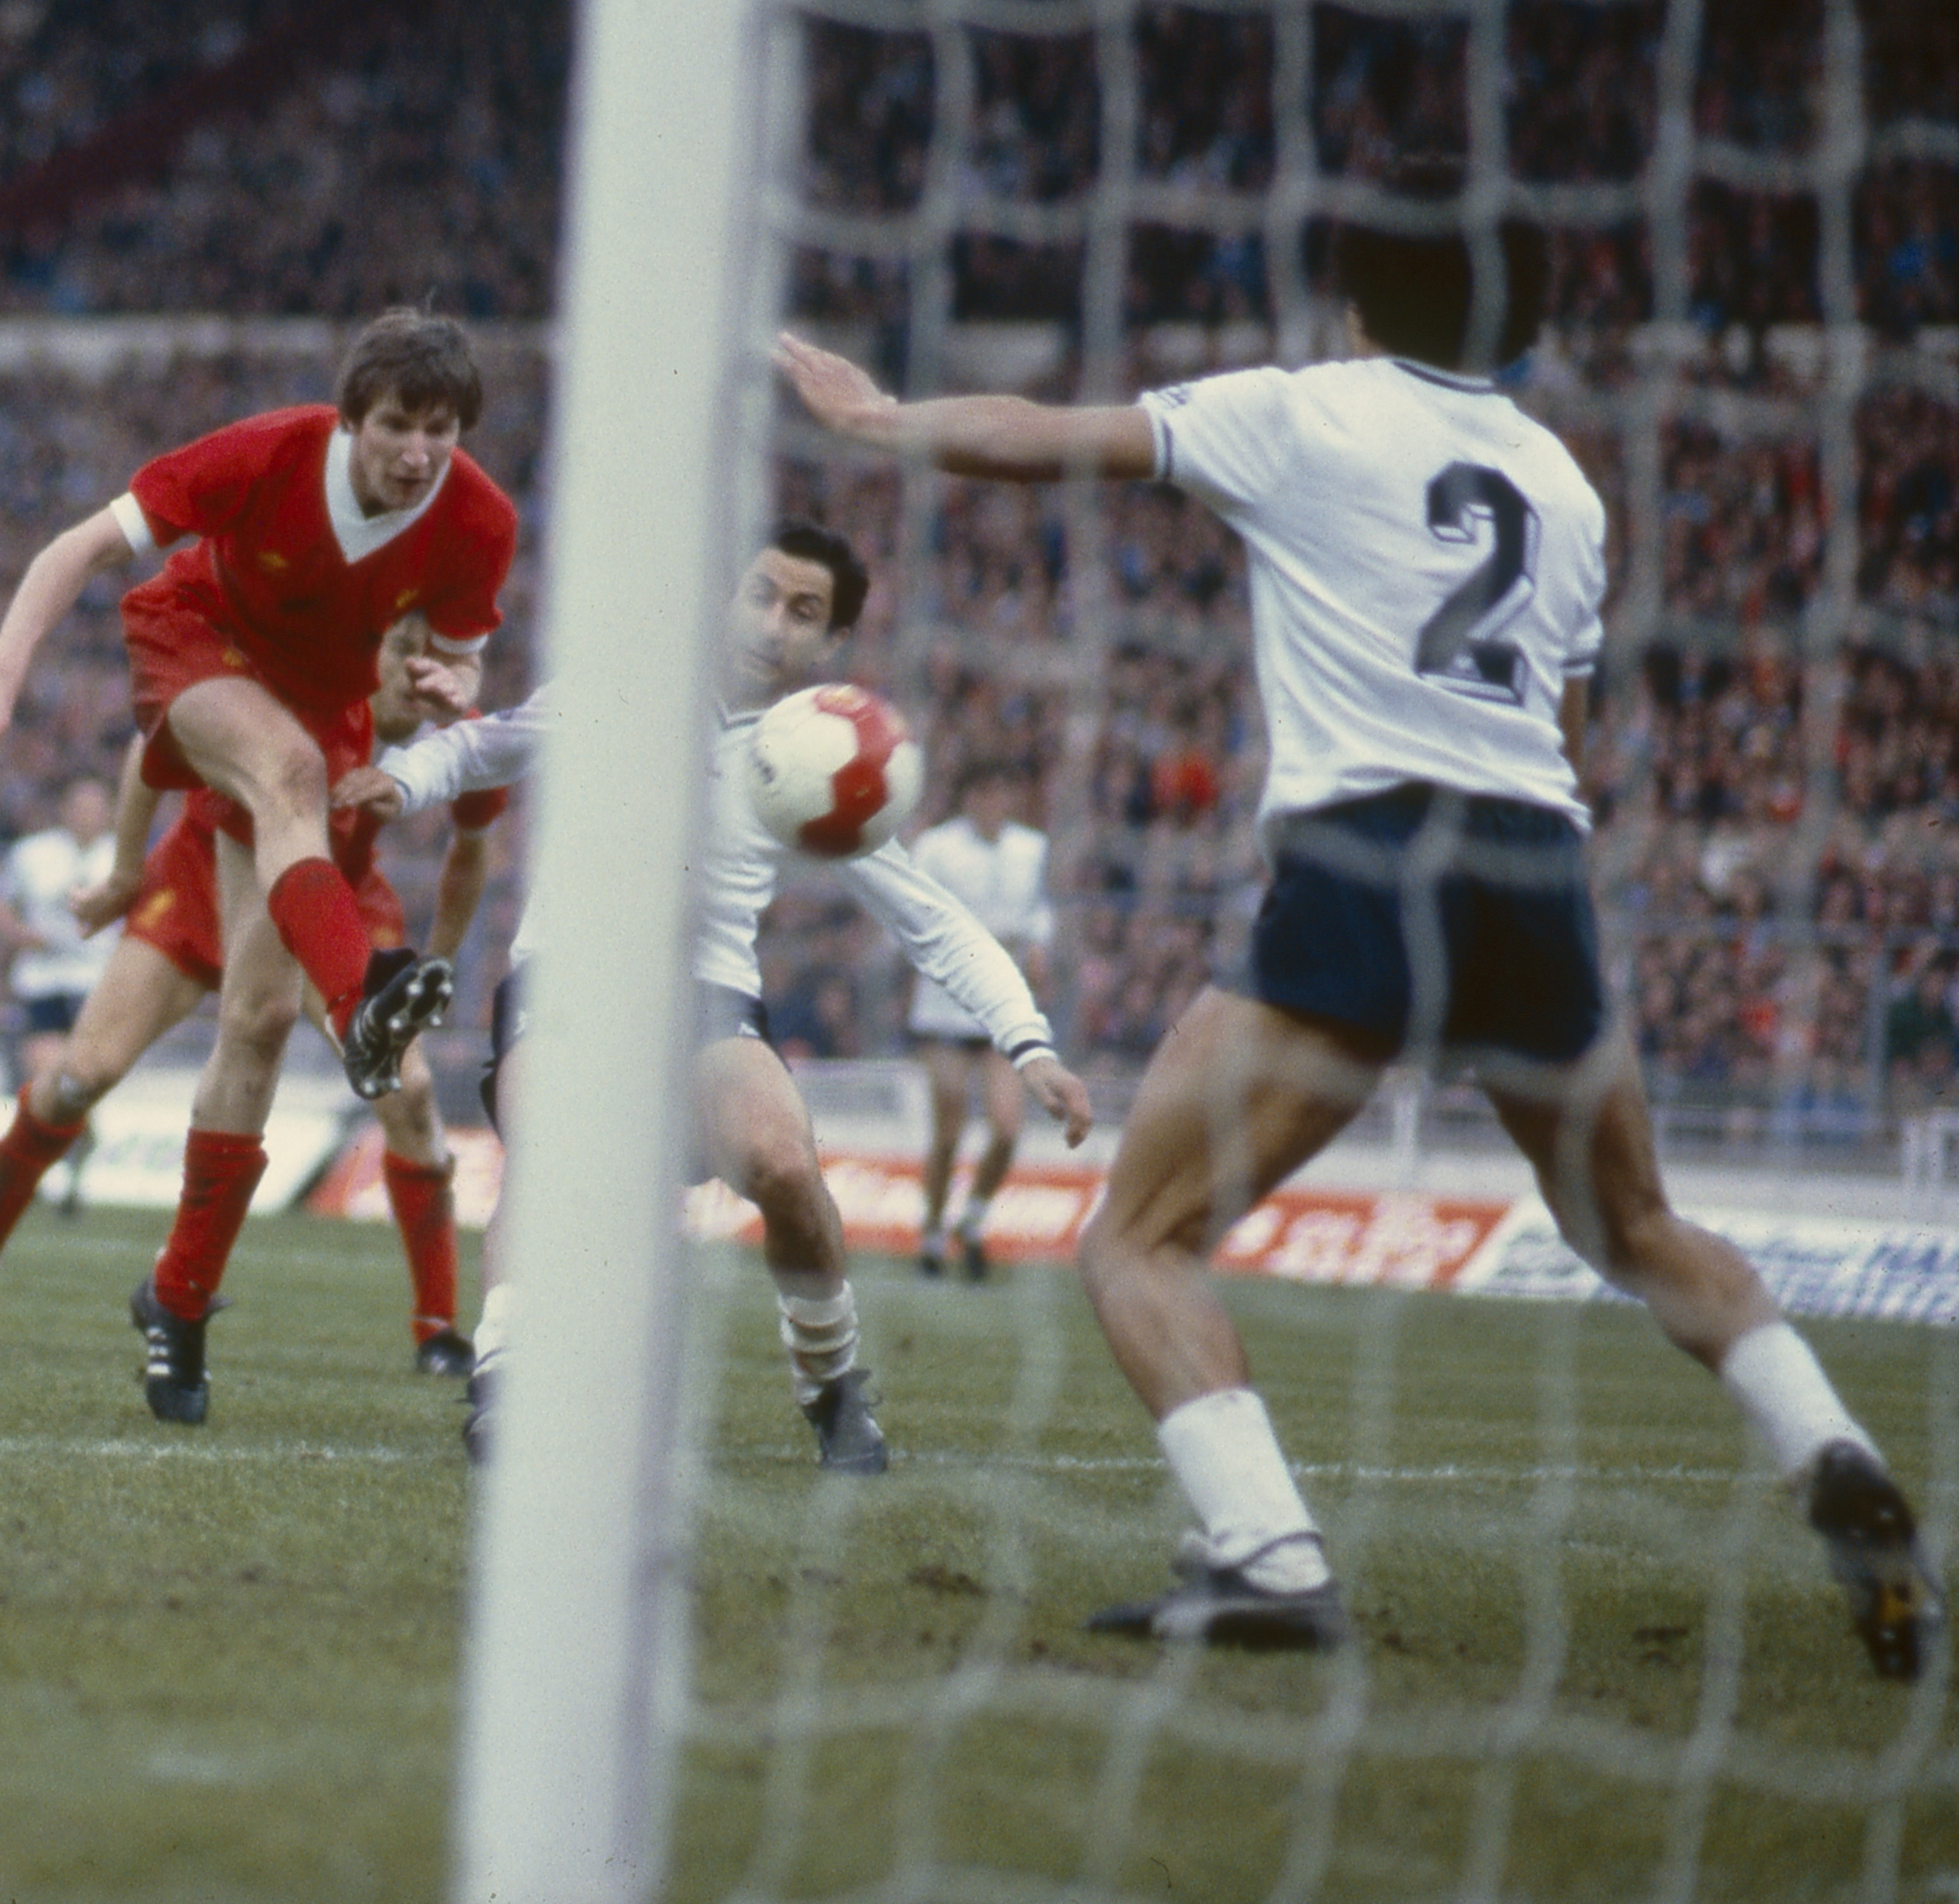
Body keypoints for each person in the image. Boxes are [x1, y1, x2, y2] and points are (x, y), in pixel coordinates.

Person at [776, 213, 1944, 1673]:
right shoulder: (1565, 486)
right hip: (1531, 862)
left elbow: (1037, 434)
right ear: (1505, 323)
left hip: (1366, 856)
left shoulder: (1299, 407)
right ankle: (1824, 1439)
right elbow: (1558, 734)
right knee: (1634, 1224)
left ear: (1351, 301)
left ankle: (1263, 1548)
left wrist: (875, 416)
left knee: (1135, 1236)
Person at [347, 525, 1090, 1471]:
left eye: (805, 611)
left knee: (784, 1161)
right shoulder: (618, 690)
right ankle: (505, 1383)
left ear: (829, 645)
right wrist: (399, 781)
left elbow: (931, 918)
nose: (774, 622)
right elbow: (474, 750)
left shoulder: (817, 761)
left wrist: (1030, 1044)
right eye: (762, 593)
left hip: (708, 998)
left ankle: (832, 1388)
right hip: (570, 975)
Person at [0, 309, 518, 1422]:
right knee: (284, 777)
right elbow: (77, 551)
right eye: (396, 424)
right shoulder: (267, 453)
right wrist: (3, 678)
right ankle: (364, 995)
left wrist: (449, 689)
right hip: (196, 641)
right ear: (351, 421)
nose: (417, 451)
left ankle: (182, 1299)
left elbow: (461, 670)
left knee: (251, 1023)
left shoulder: (479, 521)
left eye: (439, 428)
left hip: (315, 736)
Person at [0, 612, 507, 1375]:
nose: (423, 671)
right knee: (78, 1077)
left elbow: (470, 852)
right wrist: (124, 871)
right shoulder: (299, 686)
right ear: (362, 647)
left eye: (437, 653)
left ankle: (436, 1330)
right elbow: (156, 744)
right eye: (404, 649)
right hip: (195, 890)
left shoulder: (461, 731)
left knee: (412, 1091)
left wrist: (440, 964)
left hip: (333, 906)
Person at [906, 763, 1055, 1281]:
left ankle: (971, 1220)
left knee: (1008, 1128)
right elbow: (916, 913)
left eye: (1000, 791)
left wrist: (1038, 947)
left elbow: (1040, 911)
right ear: (967, 798)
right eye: (983, 792)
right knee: (948, 1131)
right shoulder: (936, 848)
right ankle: (930, 1229)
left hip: (1001, 1006)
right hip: (946, 1004)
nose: (993, 803)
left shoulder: (1031, 849)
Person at [0, 772, 125, 1211]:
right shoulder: (34, 854)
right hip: (42, 982)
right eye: (79, 806)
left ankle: (72, 1172)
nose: (88, 815)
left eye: (96, 806)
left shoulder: (125, 856)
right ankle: (47, 1172)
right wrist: (21, 935)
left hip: (99, 985)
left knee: (80, 1083)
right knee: (47, 1080)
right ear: (64, 811)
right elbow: (0, 905)